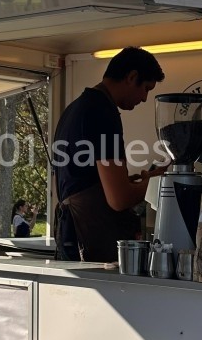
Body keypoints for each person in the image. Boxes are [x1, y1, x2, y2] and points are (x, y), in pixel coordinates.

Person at [53, 46, 167, 261]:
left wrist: (143, 179)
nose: (144, 98)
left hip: (71, 232)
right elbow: (118, 198)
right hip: (89, 236)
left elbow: (84, 180)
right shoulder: (101, 113)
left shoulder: (76, 108)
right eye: (146, 89)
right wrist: (160, 184)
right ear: (131, 77)